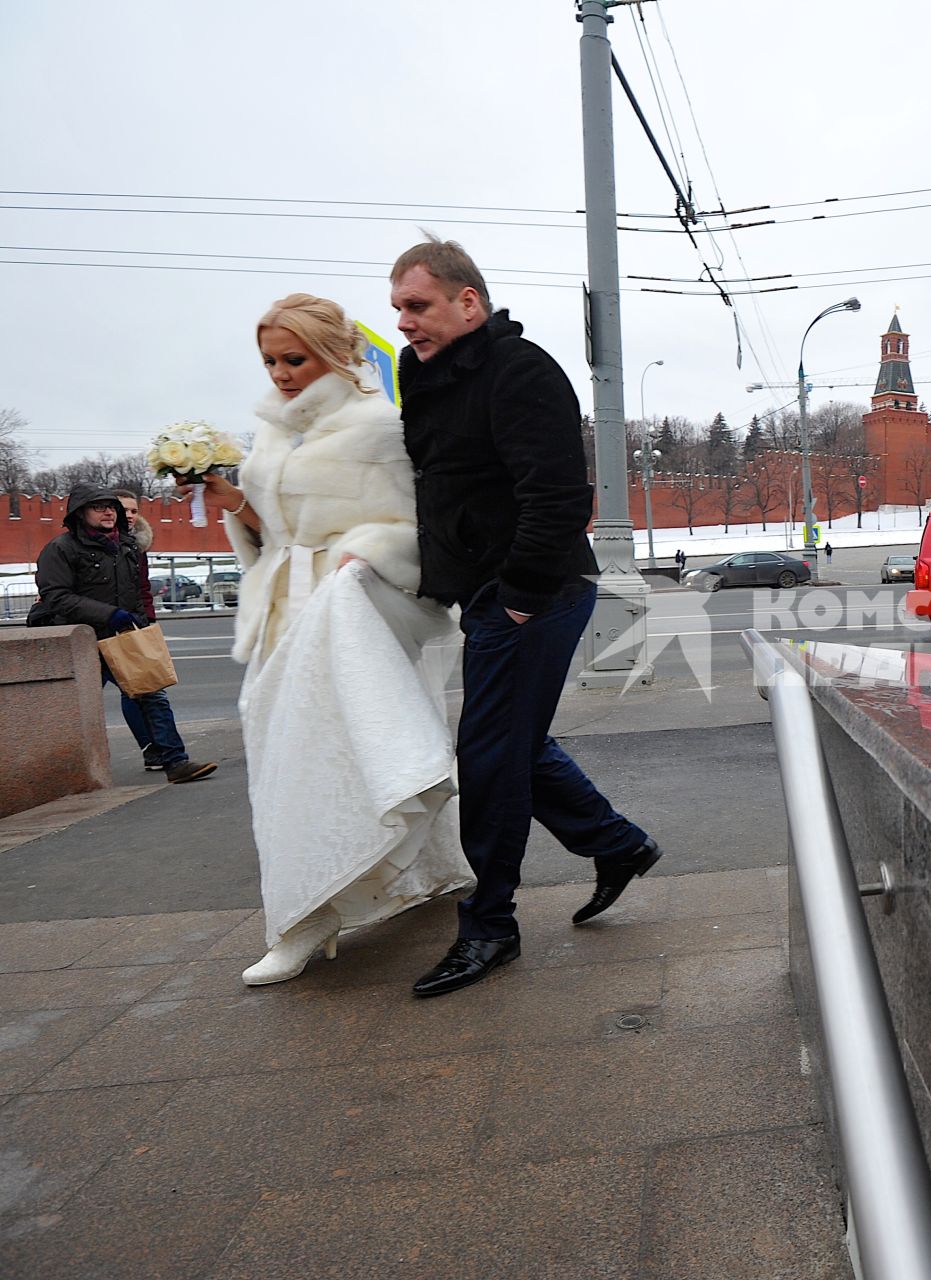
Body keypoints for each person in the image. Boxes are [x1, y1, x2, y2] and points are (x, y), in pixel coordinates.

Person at [390, 238, 660, 999]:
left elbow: (557, 495)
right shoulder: (426, 376)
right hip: (485, 590)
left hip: (532, 593)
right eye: (399, 309)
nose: (405, 322)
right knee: (513, 745)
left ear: (467, 301)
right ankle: (618, 846)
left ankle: (489, 928)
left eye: (418, 305)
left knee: (488, 759)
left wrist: (516, 593)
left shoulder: (520, 369)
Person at [202, 292, 474, 986]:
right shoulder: (271, 434)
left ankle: (305, 919)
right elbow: (273, 531)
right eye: (270, 360)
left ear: (336, 352)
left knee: (330, 758)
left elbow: (416, 529)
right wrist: (234, 503)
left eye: (295, 357)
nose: (282, 373)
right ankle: (429, 871)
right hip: (281, 615)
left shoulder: (379, 426)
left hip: (355, 613)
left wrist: (368, 552)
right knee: (286, 757)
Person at [28, 486, 216, 784]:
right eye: (98, 507)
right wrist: (108, 614)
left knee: (153, 695)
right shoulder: (61, 548)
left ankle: (175, 762)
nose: (108, 512)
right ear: (80, 513)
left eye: (111, 507)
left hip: (122, 637)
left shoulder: (126, 546)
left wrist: (139, 622)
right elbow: (56, 596)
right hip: (82, 640)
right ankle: (51, 774)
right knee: (72, 708)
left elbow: (136, 592)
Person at [110, 490, 167, 771]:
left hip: (130, 625)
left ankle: (158, 751)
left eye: (134, 510)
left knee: (139, 689)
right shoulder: (94, 544)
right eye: (124, 510)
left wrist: (148, 623)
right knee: (134, 690)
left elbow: (142, 589)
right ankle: (156, 751)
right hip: (99, 627)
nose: (130, 515)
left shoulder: (137, 545)